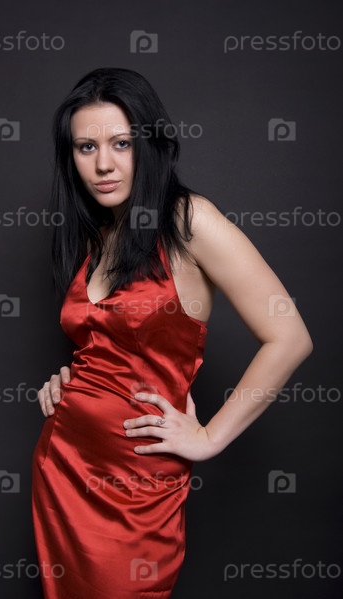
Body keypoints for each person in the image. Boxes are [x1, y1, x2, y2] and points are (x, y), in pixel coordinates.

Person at [31, 67, 313, 599]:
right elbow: (108, 345)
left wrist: (208, 437)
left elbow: (290, 336)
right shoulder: (99, 235)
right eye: (86, 147)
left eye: (121, 143)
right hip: (62, 467)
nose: (103, 164)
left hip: (136, 487)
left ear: (150, 144)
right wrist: (69, 382)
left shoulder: (189, 221)